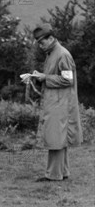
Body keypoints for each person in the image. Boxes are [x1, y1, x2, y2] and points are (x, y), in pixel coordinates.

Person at [27, 23, 82, 182]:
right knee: (58, 137)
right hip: (55, 101)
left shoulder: (62, 54)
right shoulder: (52, 53)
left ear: (51, 38)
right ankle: (62, 172)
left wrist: (45, 78)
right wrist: (39, 77)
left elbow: (67, 80)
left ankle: (53, 175)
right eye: (38, 43)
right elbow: (56, 76)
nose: (40, 46)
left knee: (55, 138)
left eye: (42, 42)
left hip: (61, 103)